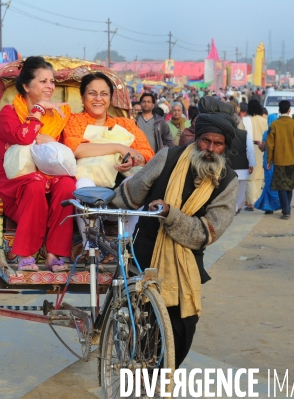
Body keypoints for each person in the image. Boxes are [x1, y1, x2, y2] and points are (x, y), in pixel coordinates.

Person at [112, 105, 238, 369]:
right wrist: (107, 201)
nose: (210, 149)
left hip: (185, 263)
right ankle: (137, 378)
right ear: (196, 138)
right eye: (205, 141)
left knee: (182, 329)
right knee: (137, 324)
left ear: (225, 146)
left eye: (218, 144)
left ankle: (158, 379)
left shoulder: (228, 181)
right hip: (143, 254)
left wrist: (171, 214)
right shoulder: (167, 157)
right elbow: (132, 195)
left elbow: (206, 233)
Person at [0, 56, 74, 272]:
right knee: (34, 183)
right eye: (43, 81)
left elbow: (61, 149)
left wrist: (49, 138)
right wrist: (40, 110)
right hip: (13, 182)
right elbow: (24, 137)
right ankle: (24, 254)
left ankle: (54, 253)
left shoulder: (58, 115)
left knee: (67, 185)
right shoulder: (9, 112)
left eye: (52, 81)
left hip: (48, 178)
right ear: (26, 86)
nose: (50, 86)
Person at [62, 72, 154, 185]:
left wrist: (133, 160)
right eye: (92, 93)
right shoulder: (74, 121)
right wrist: (118, 147)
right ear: (82, 97)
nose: (98, 98)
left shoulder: (126, 124)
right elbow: (76, 149)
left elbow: (147, 153)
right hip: (84, 181)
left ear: (110, 98)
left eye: (104, 94)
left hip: (122, 183)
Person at [266, 100, 294, 220]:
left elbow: (270, 145)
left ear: (279, 110)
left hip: (278, 160)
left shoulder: (273, 125)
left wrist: (269, 160)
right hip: (293, 160)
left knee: (281, 185)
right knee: (290, 184)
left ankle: (286, 210)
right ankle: (286, 208)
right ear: (289, 110)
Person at [242, 99, 268, 211]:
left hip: (248, 149)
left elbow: (240, 136)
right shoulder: (265, 121)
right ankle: (257, 199)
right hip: (262, 149)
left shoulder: (244, 121)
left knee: (249, 176)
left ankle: (251, 202)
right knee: (259, 175)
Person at [254, 114, 281, 214]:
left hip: (268, 162)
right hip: (279, 162)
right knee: (274, 183)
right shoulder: (280, 132)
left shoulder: (267, 133)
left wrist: (258, 144)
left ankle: (279, 203)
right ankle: (268, 206)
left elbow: (263, 148)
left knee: (269, 184)